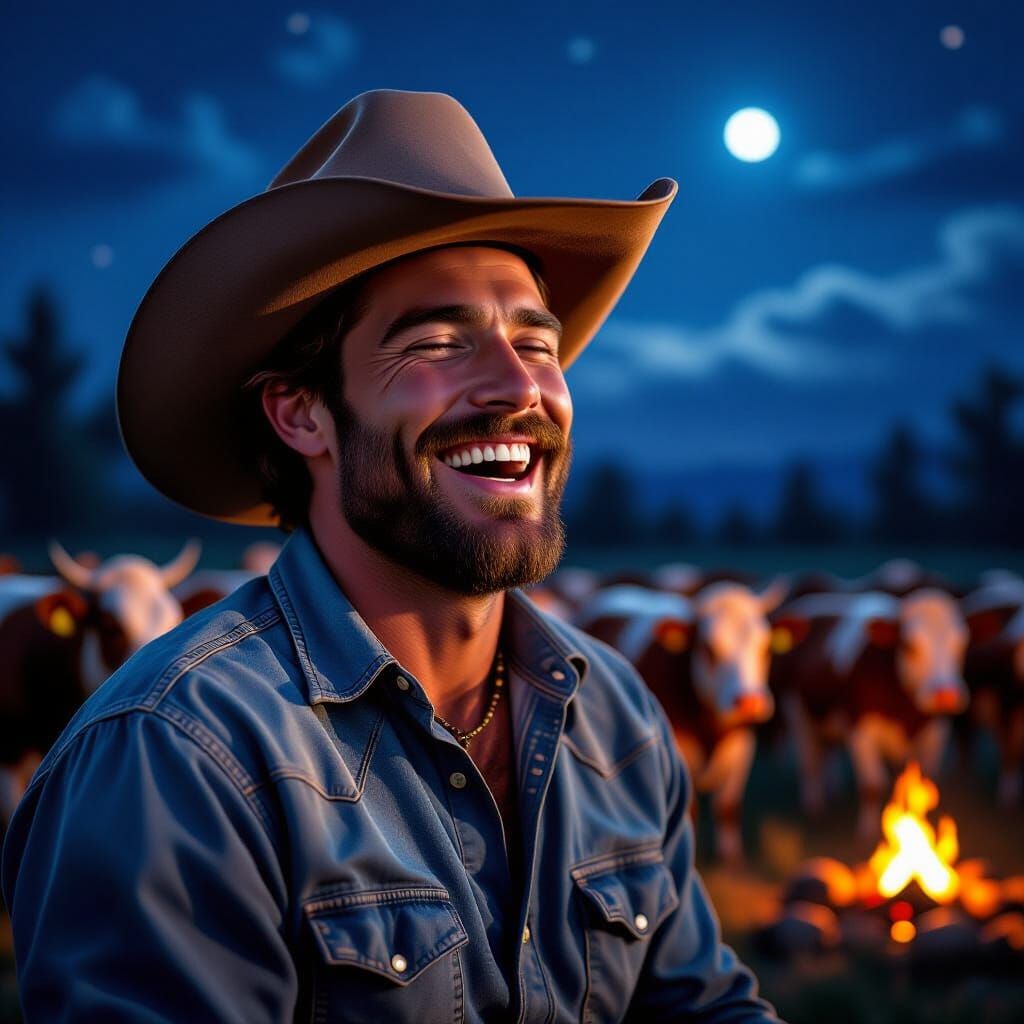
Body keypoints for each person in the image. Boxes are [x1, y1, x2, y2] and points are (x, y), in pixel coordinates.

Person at [2, 89, 780, 1022]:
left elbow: (700, 1005)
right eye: (439, 344)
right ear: (303, 414)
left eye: (537, 343)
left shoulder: (617, 715)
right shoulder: (174, 756)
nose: (518, 387)